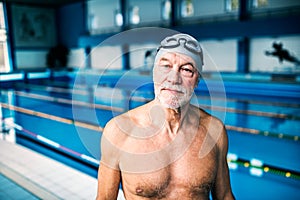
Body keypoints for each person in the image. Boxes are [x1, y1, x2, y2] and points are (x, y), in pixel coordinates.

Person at [96, 33, 235, 199]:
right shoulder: (119, 131)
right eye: (166, 67)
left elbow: (225, 196)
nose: (173, 79)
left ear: (197, 79)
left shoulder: (214, 131)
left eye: (186, 70)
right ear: (154, 72)